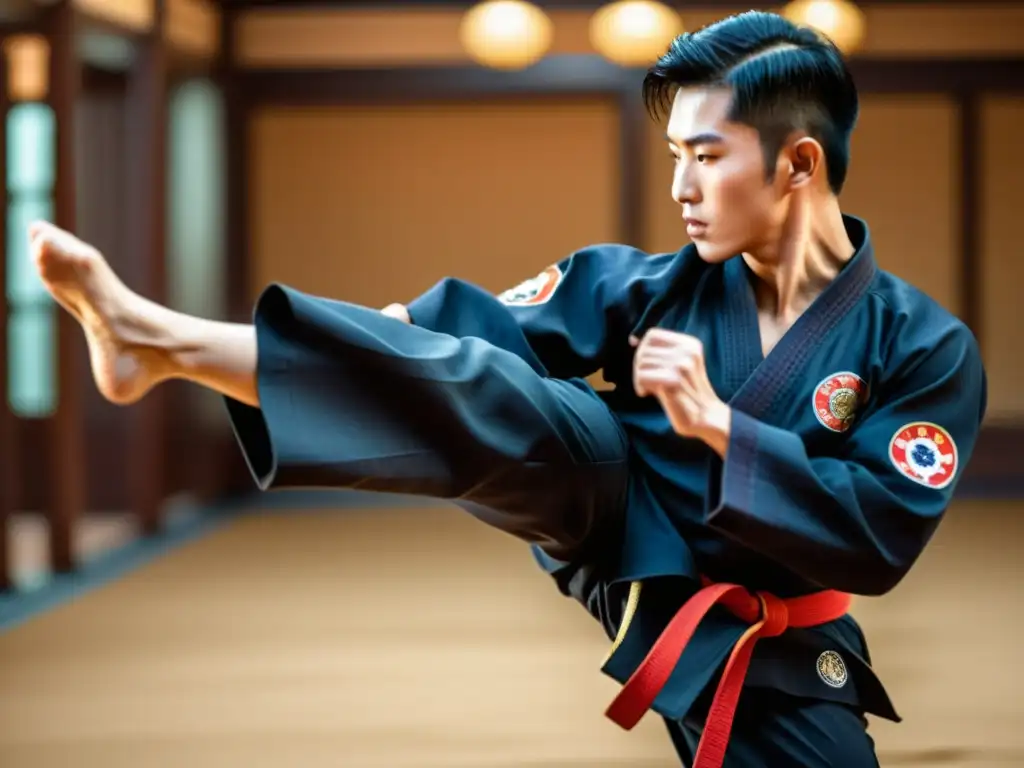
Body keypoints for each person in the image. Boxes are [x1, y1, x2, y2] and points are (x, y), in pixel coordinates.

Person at [30, 10, 986, 768]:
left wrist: (722, 425)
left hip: (776, 633)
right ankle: (159, 338)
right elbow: (476, 327)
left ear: (798, 163)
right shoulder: (650, 285)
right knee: (502, 396)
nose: (681, 188)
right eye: (673, 159)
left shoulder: (924, 345)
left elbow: (880, 531)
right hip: (628, 521)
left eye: (706, 156)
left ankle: (160, 342)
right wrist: (385, 336)